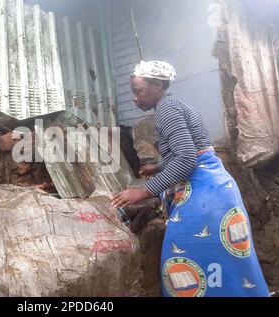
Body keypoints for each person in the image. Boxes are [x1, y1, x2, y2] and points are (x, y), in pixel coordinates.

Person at [112, 60, 270, 297]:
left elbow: (186, 159)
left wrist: (144, 191)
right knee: (225, 263)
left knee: (181, 261)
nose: (134, 98)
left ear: (156, 85)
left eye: (138, 91)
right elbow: (194, 150)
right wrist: (158, 166)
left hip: (205, 193)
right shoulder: (174, 104)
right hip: (216, 188)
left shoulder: (166, 111)